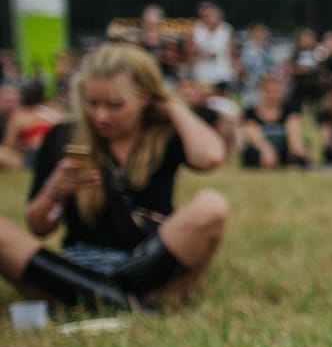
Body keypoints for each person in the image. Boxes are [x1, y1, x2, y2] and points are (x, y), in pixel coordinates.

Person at [6, 43, 228, 311]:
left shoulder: (161, 134)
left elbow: (210, 157)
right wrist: (54, 190)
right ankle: (127, 304)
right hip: (78, 266)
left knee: (211, 205)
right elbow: (39, 227)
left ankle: (100, 300)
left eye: (115, 105)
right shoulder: (62, 136)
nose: (101, 116)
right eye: (92, 103)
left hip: (150, 264)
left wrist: (170, 105)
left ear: (144, 98)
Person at [239, 72, 309, 169]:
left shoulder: (290, 110)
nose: (273, 95)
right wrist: (266, 150)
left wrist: (297, 151)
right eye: (269, 91)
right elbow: (254, 136)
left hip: (284, 150)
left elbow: (294, 134)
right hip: (262, 150)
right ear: (261, 91)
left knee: (300, 151)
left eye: (276, 91)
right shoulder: (250, 113)